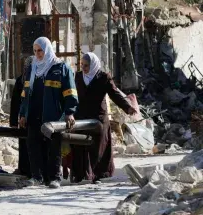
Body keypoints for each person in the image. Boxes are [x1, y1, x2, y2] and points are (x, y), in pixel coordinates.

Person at [19, 37, 78, 189]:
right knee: (33, 145)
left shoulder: (61, 67)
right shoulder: (33, 68)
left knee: (54, 146)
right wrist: (23, 113)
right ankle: (36, 177)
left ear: (47, 50)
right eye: (35, 51)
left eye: (40, 50)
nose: (38, 54)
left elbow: (70, 92)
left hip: (53, 115)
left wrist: (69, 112)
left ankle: (54, 178)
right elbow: (25, 93)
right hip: (34, 113)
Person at [71, 52, 137, 183]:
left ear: (93, 65)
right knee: (78, 145)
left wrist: (127, 107)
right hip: (81, 116)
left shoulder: (103, 78)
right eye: (82, 65)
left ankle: (98, 174)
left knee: (98, 146)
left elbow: (114, 94)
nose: (83, 68)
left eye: (86, 65)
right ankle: (79, 174)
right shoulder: (78, 77)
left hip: (98, 117)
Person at [10, 56, 33, 177]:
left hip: (35, 119)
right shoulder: (21, 80)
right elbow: (15, 103)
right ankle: (23, 169)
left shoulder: (39, 79)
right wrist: (13, 122)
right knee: (23, 145)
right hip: (23, 119)